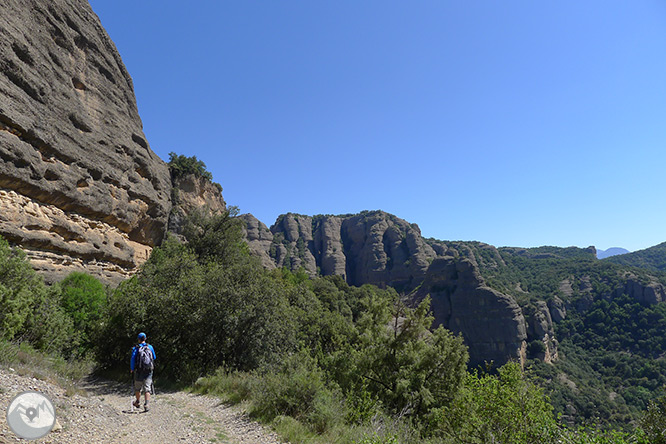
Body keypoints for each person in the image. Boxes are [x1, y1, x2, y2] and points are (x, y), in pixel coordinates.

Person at [130, 332, 156, 412]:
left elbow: (133, 359)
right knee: (147, 388)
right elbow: (154, 357)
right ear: (145, 339)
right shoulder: (150, 347)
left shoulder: (136, 348)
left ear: (138, 339)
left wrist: (132, 369)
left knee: (137, 388)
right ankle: (147, 404)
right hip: (148, 370)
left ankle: (137, 402)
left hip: (139, 371)